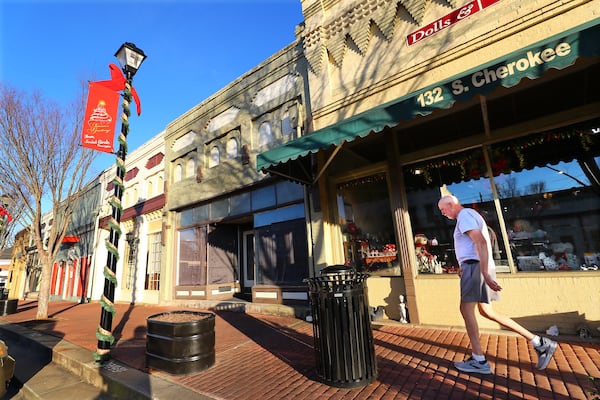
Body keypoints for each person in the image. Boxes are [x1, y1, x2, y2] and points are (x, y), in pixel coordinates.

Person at [437, 195, 557, 374]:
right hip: (474, 266)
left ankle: (479, 360)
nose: (443, 213)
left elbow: (481, 242)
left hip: (475, 267)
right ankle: (539, 342)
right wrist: (465, 266)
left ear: (451, 204)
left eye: (443, 209)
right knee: (487, 311)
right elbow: (475, 244)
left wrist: (481, 271)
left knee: (466, 310)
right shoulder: (469, 216)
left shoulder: (465, 216)